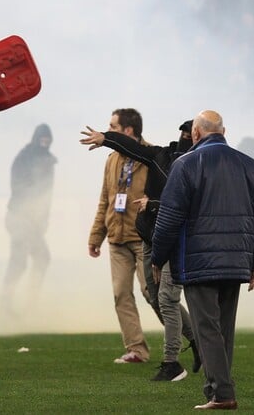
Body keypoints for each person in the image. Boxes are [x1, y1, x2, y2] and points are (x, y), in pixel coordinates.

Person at [151, 110, 254, 410]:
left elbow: (168, 218)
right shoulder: (248, 164)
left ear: (195, 133)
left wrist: (158, 257)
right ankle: (215, 390)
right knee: (223, 330)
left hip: (198, 262)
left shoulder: (186, 164)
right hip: (236, 261)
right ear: (224, 131)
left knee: (207, 329)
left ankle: (222, 393)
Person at [80, 119, 201, 381]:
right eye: (181, 132)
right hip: (150, 236)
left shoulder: (202, 166)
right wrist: (106, 138)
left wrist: (155, 204)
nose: (183, 136)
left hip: (178, 240)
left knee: (166, 299)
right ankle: (197, 341)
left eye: (188, 133)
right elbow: (131, 148)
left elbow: (193, 205)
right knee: (155, 296)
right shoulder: (162, 156)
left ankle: (172, 363)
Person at [87, 108, 151, 364]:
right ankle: (137, 349)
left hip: (142, 237)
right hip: (117, 237)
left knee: (153, 294)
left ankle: (189, 337)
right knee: (121, 294)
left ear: (128, 131)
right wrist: (96, 236)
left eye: (112, 126)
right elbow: (106, 199)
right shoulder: (112, 159)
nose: (108, 130)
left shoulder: (150, 156)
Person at [2, 123, 56, 311]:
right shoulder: (25, 158)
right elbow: (18, 187)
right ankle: (11, 302)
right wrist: (31, 212)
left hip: (31, 220)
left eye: (47, 140)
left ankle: (23, 301)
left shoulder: (48, 160)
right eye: (42, 139)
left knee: (34, 259)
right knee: (27, 260)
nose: (45, 143)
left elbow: (47, 194)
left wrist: (43, 218)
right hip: (20, 218)